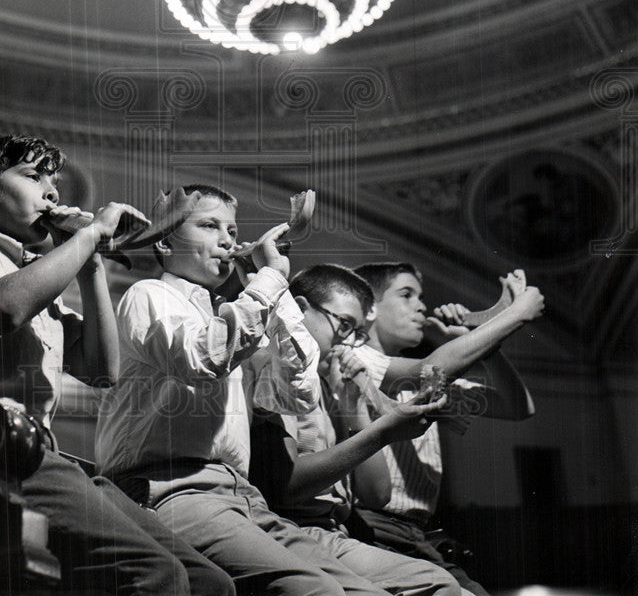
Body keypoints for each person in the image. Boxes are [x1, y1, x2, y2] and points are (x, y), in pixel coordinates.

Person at [0, 134, 235, 596]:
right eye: (34, 177)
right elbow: (4, 308)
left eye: (54, 182)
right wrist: (90, 235)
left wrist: (91, 262)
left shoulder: (43, 279)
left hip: (35, 452)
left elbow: (102, 370)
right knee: (158, 576)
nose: (52, 193)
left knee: (208, 582)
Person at [95, 184, 460, 596]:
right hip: (169, 488)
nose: (227, 240)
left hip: (241, 495)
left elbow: (294, 393)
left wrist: (273, 286)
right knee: (312, 589)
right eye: (209, 225)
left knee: (418, 587)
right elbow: (203, 360)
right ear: (164, 241)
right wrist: (268, 280)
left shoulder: (229, 317)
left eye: (232, 231)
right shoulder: (150, 295)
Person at [247, 264, 462, 596]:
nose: (348, 342)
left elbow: (378, 493)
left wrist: (354, 407)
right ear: (301, 310)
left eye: (357, 333)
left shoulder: (327, 383)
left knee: (447, 587)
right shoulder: (279, 369)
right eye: (344, 324)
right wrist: (384, 432)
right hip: (295, 528)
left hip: (335, 530)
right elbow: (285, 486)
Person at [342, 262, 543, 596]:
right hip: (372, 528)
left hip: (416, 533)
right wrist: (510, 317)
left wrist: (485, 347)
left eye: (421, 296)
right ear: (370, 307)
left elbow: (518, 408)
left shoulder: (430, 384)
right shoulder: (357, 358)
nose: (421, 305)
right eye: (406, 295)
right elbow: (428, 367)